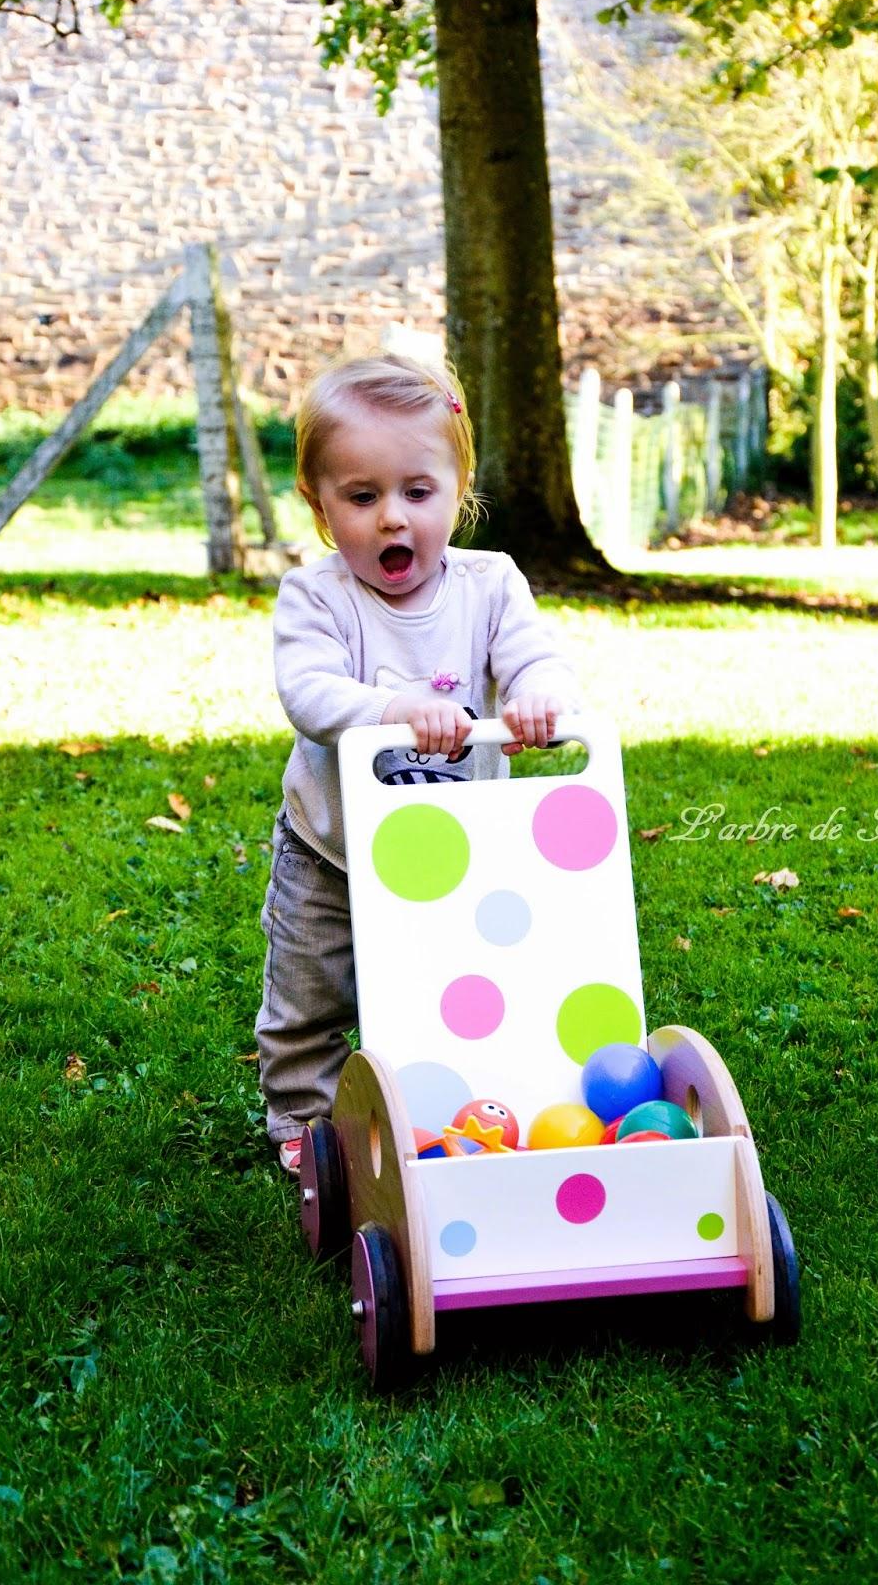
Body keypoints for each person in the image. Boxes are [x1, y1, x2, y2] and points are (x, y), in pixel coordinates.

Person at [256, 352, 581, 1175]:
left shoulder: (490, 585)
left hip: (458, 850)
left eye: (417, 492)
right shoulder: (316, 596)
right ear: (319, 503)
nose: (392, 519)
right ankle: (304, 1118)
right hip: (332, 852)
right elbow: (310, 693)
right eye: (362, 497)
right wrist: (393, 709)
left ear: (458, 487)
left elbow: (535, 658)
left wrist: (538, 697)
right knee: (309, 995)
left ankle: (456, 1101)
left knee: (460, 979)